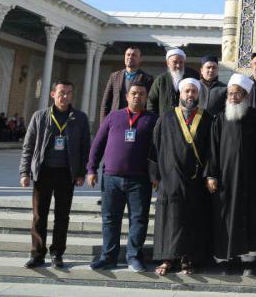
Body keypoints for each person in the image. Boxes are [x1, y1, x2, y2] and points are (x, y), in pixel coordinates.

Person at [86, 82, 158, 272]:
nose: (137, 96)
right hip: (112, 178)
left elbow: (158, 150)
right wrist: (91, 169)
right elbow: (98, 144)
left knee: (139, 219)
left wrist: (156, 175)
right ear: (127, 96)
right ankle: (108, 257)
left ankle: (134, 257)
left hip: (140, 179)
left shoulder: (152, 119)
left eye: (141, 94)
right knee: (110, 219)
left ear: (146, 97)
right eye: (134, 93)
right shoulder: (113, 116)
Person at [19, 80, 90, 269]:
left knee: (62, 216)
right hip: (43, 172)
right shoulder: (40, 116)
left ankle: (57, 253)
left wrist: (81, 172)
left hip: (66, 173)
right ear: (53, 94)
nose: (65, 96)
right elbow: (28, 146)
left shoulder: (79, 118)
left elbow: (85, 148)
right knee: (39, 215)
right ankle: (37, 254)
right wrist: (25, 172)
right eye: (61, 92)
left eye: (69, 92)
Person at [205, 74, 256, 276]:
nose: (232, 97)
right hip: (225, 180)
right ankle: (226, 260)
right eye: (230, 93)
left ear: (245, 95)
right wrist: (211, 175)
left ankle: (248, 261)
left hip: (251, 179)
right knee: (226, 218)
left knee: (250, 218)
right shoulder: (220, 118)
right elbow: (212, 149)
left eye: (237, 94)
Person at [150, 78, 213, 276]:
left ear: (198, 94)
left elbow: (212, 150)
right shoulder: (167, 117)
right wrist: (155, 175)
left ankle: (188, 260)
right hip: (170, 179)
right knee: (170, 219)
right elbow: (155, 146)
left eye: (194, 91)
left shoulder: (206, 118)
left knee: (192, 219)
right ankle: (167, 259)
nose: (190, 95)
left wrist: (209, 175)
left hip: (195, 180)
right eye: (187, 91)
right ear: (180, 93)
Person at [99, 45, 154, 122]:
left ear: (140, 59)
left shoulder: (147, 79)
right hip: (116, 120)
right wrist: (103, 123)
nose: (130, 57)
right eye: (128, 54)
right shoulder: (114, 76)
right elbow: (106, 102)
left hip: (136, 120)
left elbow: (149, 103)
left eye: (134, 55)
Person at [147, 48, 201, 118]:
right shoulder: (161, 80)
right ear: (168, 63)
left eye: (181, 62)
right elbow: (151, 102)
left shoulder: (192, 78)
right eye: (175, 62)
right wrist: (155, 120)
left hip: (188, 121)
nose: (178, 65)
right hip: (165, 121)